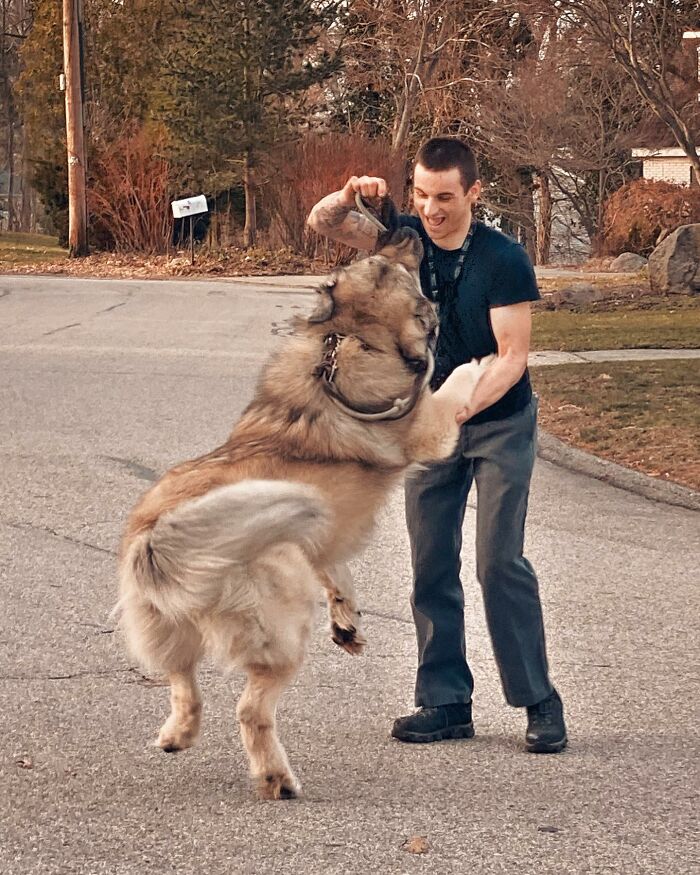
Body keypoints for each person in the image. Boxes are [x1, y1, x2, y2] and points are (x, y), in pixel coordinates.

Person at [306, 137, 567, 753]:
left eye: (445, 197)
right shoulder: (405, 240)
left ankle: (538, 701)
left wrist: (461, 401)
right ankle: (445, 701)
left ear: (473, 192)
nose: (431, 209)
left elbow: (513, 357)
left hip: (498, 421)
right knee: (430, 563)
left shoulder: (504, 259)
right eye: (421, 194)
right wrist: (348, 195)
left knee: (498, 562)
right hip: (429, 424)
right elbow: (323, 224)